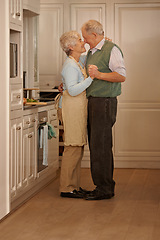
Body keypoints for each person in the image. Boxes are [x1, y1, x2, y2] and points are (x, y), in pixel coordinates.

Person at [80, 20, 126, 200]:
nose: (84, 41)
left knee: (102, 145)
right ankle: (101, 186)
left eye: (85, 37)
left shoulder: (111, 49)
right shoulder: (93, 51)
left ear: (94, 35)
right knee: (96, 145)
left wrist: (99, 75)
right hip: (94, 102)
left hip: (104, 102)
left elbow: (121, 75)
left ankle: (105, 188)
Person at [59, 30, 95, 198]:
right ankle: (67, 188)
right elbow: (72, 91)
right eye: (80, 40)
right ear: (71, 46)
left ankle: (74, 186)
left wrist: (97, 43)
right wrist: (91, 79)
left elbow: (88, 58)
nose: (83, 42)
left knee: (77, 148)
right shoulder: (70, 65)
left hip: (75, 109)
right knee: (72, 148)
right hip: (70, 109)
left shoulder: (76, 61)